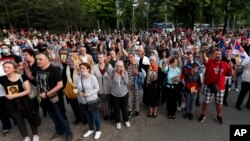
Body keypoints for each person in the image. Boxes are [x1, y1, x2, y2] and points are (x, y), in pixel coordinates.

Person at [35, 53, 73, 141]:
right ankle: (59, 131)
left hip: (55, 98)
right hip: (44, 99)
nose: (38, 61)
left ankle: (68, 132)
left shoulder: (54, 69)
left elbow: (60, 85)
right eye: (37, 59)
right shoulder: (38, 69)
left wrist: (47, 94)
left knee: (60, 115)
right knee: (53, 116)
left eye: (40, 59)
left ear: (47, 60)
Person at [0, 61, 40, 141]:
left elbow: (28, 90)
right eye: (4, 67)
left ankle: (35, 134)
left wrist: (14, 95)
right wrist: (6, 95)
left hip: (25, 101)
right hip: (12, 103)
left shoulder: (22, 76)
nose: (6, 69)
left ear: (14, 68)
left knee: (30, 117)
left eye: (8, 67)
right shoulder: (2, 79)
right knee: (19, 120)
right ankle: (26, 136)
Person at [199, 48, 234, 125]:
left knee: (219, 103)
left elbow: (232, 74)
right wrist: (203, 53)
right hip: (209, 87)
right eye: (216, 54)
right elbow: (205, 60)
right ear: (213, 55)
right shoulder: (209, 62)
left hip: (220, 88)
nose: (217, 55)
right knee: (206, 102)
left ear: (221, 56)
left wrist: (231, 67)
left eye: (219, 54)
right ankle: (203, 114)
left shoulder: (225, 64)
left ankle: (219, 116)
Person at [77, 62, 101, 140]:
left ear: (88, 69)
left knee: (95, 116)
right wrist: (77, 91)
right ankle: (91, 129)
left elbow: (97, 88)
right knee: (88, 117)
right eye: (81, 68)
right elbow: (79, 88)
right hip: (82, 101)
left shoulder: (92, 77)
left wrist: (89, 94)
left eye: (84, 68)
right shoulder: (79, 77)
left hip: (92, 101)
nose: (82, 69)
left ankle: (98, 130)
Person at [91, 53, 113, 120]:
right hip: (99, 88)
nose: (99, 59)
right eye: (98, 57)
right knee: (102, 102)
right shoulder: (94, 67)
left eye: (101, 57)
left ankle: (110, 114)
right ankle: (105, 114)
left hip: (108, 87)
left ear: (104, 58)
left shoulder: (109, 65)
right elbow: (92, 77)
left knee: (109, 102)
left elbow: (112, 74)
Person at [110, 61, 130, 129]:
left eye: (120, 66)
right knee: (116, 108)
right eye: (118, 66)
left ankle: (126, 120)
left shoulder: (125, 72)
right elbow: (111, 80)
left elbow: (126, 82)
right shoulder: (113, 72)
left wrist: (123, 75)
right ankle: (118, 121)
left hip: (124, 93)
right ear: (116, 66)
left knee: (124, 108)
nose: (119, 67)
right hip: (115, 94)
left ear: (123, 67)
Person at [126, 53, 145, 117]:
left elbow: (142, 75)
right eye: (129, 57)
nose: (130, 58)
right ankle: (129, 110)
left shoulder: (137, 65)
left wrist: (137, 73)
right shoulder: (127, 65)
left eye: (131, 57)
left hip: (136, 84)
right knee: (129, 98)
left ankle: (137, 110)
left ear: (134, 57)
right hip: (128, 84)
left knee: (136, 98)